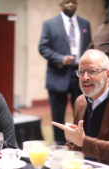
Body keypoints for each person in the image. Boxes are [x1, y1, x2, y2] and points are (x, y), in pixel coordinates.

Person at [52, 49, 109, 165]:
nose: (85, 78)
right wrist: (61, 154)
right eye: (81, 72)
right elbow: (74, 143)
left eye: (92, 71)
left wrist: (84, 142)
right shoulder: (80, 101)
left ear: (108, 75)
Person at [39, 0, 91, 144]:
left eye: (73, 2)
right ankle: (60, 143)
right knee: (57, 115)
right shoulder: (49, 24)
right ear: (60, 4)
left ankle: (79, 141)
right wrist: (61, 58)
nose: (70, 4)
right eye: (67, 2)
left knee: (81, 112)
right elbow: (43, 47)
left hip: (80, 75)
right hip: (58, 74)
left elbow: (89, 46)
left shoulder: (85, 24)